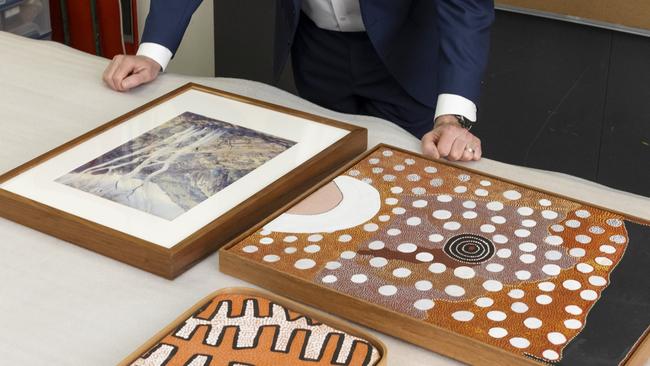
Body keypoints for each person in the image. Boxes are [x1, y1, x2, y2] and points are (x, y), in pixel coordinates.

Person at [103, 1, 494, 161]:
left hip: (405, 56)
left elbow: (466, 10)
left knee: (406, 178)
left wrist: (452, 119)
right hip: (316, 50)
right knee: (323, 169)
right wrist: (151, 54)